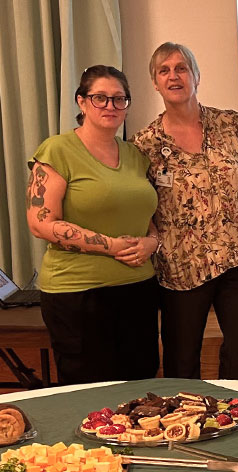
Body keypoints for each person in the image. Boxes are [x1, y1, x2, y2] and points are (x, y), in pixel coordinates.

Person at [131, 43, 238, 380]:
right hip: (180, 268)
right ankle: (189, 425)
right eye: (164, 70)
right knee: (181, 362)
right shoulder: (145, 143)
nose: (173, 75)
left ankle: (232, 415)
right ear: (155, 82)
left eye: (181, 68)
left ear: (196, 76)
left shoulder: (230, 124)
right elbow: (142, 205)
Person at [25, 65, 160, 385]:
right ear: (81, 102)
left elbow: (149, 218)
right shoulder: (57, 150)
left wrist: (152, 243)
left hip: (138, 290)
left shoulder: (136, 155)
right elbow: (41, 223)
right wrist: (110, 246)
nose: (110, 106)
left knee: (141, 390)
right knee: (89, 395)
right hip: (78, 295)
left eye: (119, 99)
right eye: (100, 98)